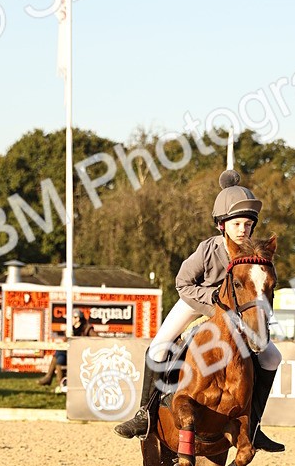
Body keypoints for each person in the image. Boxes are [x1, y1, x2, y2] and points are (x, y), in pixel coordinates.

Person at [114, 169, 284, 451]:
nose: (243, 229)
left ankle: (253, 425)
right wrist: (214, 300)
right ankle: (145, 413)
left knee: (272, 358)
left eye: (248, 225)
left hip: (235, 316)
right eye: (237, 224)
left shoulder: (254, 257)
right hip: (196, 303)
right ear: (222, 225)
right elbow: (183, 283)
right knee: (158, 347)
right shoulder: (208, 250)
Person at [39, 309, 96, 387]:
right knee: (59, 355)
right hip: (72, 353)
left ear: (77, 318)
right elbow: (65, 343)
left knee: (59, 354)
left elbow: (97, 340)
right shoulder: (71, 329)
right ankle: (60, 384)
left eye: (71, 318)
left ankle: (50, 378)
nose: (69, 320)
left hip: (82, 355)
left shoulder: (87, 329)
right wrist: (68, 335)